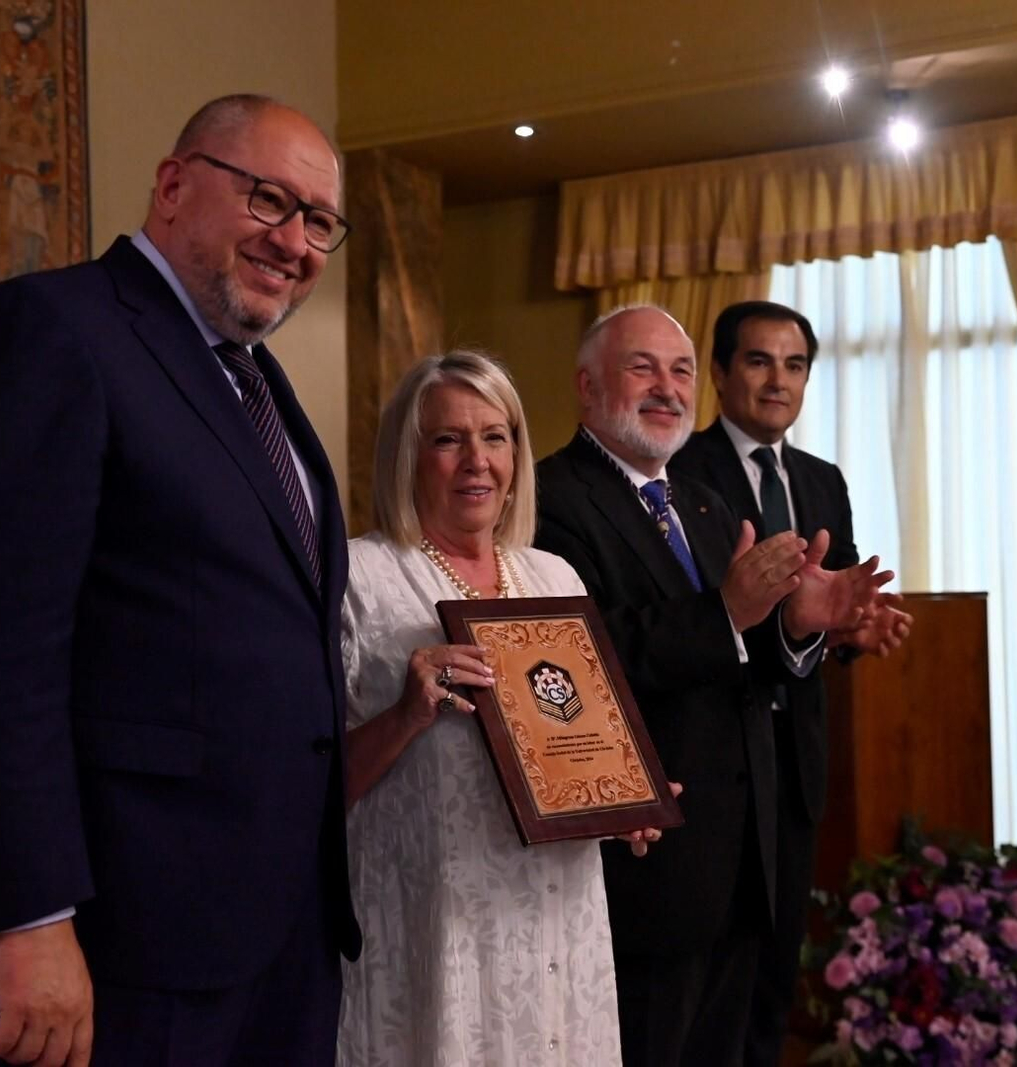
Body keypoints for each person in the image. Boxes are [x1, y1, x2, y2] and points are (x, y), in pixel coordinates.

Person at [0, 95, 359, 1067]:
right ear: (173, 185)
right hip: (115, 940)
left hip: (274, 936)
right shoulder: (49, 330)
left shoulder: (256, 381)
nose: (294, 242)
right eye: (269, 199)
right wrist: (32, 915)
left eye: (320, 221)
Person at [534, 305, 892, 1066]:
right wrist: (727, 610)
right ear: (587, 386)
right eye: (643, 368)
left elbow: (746, 649)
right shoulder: (549, 500)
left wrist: (799, 623)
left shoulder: (702, 503)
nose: (668, 388)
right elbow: (583, 662)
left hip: (743, 858)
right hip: (648, 866)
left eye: (681, 371)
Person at [339, 350, 652, 1066]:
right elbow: (310, 788)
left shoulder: (555, 576)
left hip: (559, 916)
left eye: (496, 436)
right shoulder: (359, 579)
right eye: (448, 439)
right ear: (407, 456)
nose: (476, 461)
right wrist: (406, 714)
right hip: (436, 928)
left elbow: (572, 740)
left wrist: (622, 797)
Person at [671, 299, 913, 1067]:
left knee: (776, 971)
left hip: (794, 763)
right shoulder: (679, 469)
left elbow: (830, 601)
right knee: (710, 986)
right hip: (713, 760)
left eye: (795, 364)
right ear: (719, 373)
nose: (779, 380)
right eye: (759, 360)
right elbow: (694, 614)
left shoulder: (821, 479)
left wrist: (853, 629)